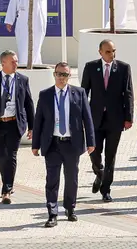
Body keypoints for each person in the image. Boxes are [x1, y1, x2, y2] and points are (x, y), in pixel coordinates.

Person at [31, 63, 96, 228]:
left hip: (72, 144)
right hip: (52, 143)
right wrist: (35, 144)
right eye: (59, 74)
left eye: (65, 75)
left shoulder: (79, 93)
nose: (61, 77)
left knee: (72, 179)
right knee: (52, 180)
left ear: (69, 76)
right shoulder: (45, 95)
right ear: (54, 75)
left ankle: (70, 208)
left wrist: (91, 142)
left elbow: (87, 119)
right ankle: (52, 213)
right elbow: (38, 121)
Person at [0, 50, 35, 204]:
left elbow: (29, 104)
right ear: (3, 63)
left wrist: (32, 127)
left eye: (16, 61)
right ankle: (7, 183)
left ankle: (6, 189)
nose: (16, 64)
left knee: (11, 156)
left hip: (15, 123)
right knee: (1, 156)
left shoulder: (23, 80)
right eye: (13, 61)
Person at [79, 40, 133, 202]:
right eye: (108, 51)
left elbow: (128, 93)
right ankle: (99, 173)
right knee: (94, 152)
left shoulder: (123, 68)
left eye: (114, 51)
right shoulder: (90, 67)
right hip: (95, 118)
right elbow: (83, 93)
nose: (112, 54)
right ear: (100, 52)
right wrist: (82, 115)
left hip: (115, 120)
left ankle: (106, 189)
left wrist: (128, 117)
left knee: (111, 155)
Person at [4, 0, 49, 66]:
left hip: (37, 18)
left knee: (36, 47)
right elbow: (14, 0)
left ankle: (36, 68)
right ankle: (24, 68)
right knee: (23, 46)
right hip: (22, 18)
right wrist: (10, 20)